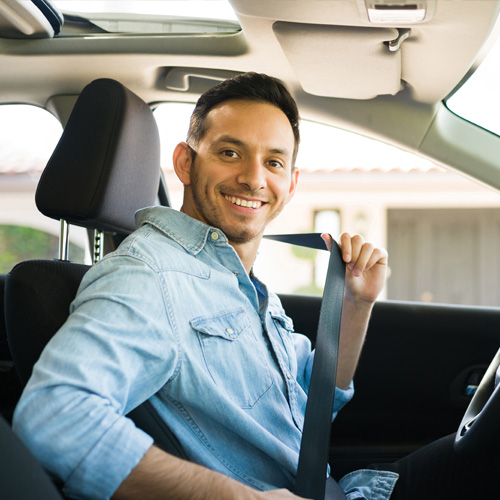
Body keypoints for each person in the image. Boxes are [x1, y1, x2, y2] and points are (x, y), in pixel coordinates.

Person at [13, 73, 498, 500]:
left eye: (274, 162)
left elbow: (308, 419)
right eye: (230, 153)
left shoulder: (237, 279)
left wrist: (355, 306)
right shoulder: (148, 274)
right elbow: (55, 417)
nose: (252, 178)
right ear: (185, 163)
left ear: (291, 181)